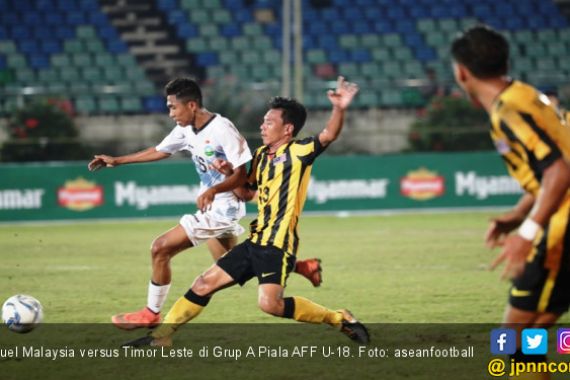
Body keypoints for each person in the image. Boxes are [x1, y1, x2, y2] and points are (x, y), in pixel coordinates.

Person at [123, 76, 369, 347]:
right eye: (263, 120)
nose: (262, 125)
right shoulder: (262, 155)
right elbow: (246, 193)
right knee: (204, 284)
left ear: (288, 129)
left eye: (269, 122)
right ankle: (160, 338)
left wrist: (339, 108)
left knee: (270, 305)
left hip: (278, 243)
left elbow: (328, 135)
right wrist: (228, 173)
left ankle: (340, 319)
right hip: (257, 240)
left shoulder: (299, 152)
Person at [87, 77, 323, 330]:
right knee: (231, 265)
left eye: (173, 107)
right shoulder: (185, 129)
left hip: (224, 208)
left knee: (160, 248)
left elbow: (242, 175)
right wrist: (117, 161)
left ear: (191, 106)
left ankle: (151, 313)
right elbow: (160, 150)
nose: (170, 113)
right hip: (214, 206)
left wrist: (214, 189)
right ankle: (302, 266)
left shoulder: (222, 129)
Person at [451, 26, 570, 378]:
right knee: (528, 335)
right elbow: (548, 172)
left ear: (462, 72)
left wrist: (527, 232)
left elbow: (559, 173)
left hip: (561, 232)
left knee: (511, 340)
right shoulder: (526, 96)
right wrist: (516, 216)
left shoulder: (508, 112)